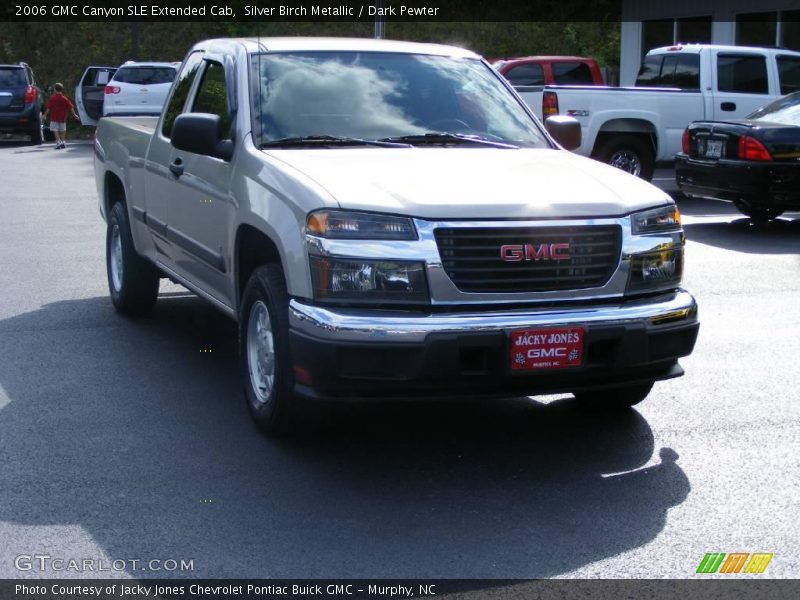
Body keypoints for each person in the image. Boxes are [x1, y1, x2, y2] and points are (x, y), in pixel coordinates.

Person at [44, 83, 80, 149]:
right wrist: (74, 114)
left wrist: (45, 115)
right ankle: (63, 142)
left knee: (55, 130)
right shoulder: (64, 98)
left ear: (55, 90)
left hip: (54, 117)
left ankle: (58, 142)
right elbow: (71, 107)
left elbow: (48, 108)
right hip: (63, 117)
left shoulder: (52, 98)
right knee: (63, 130)